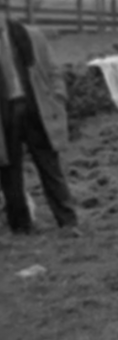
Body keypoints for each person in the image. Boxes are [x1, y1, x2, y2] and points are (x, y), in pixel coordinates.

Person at [0, 12, 79, 236]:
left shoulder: (30, 36)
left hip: (35, 108)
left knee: (50, 166)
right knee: (9, 171)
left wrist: (58, 95)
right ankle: (20, 226)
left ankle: (68, 221)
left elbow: (53, 69)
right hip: (5, 114)